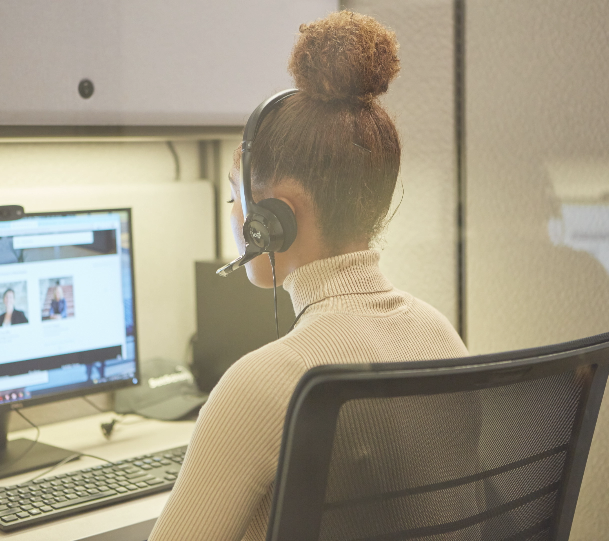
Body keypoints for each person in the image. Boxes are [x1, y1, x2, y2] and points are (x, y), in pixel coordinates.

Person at [149, 12, 470, 541]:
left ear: (274, 217)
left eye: (237, 196)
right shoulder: (442, 336)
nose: (234, 214)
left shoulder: (263, 383)